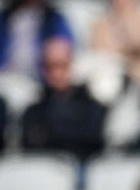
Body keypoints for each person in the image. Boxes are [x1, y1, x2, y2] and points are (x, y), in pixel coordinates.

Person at [20, 37, 107, 168]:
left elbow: (92, 141)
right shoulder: (32, 110)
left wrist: (48, 135)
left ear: (73, 64)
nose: (55, 73)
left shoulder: (93, 107)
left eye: (61, 65)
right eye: (49, 66)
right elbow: (28, 144)